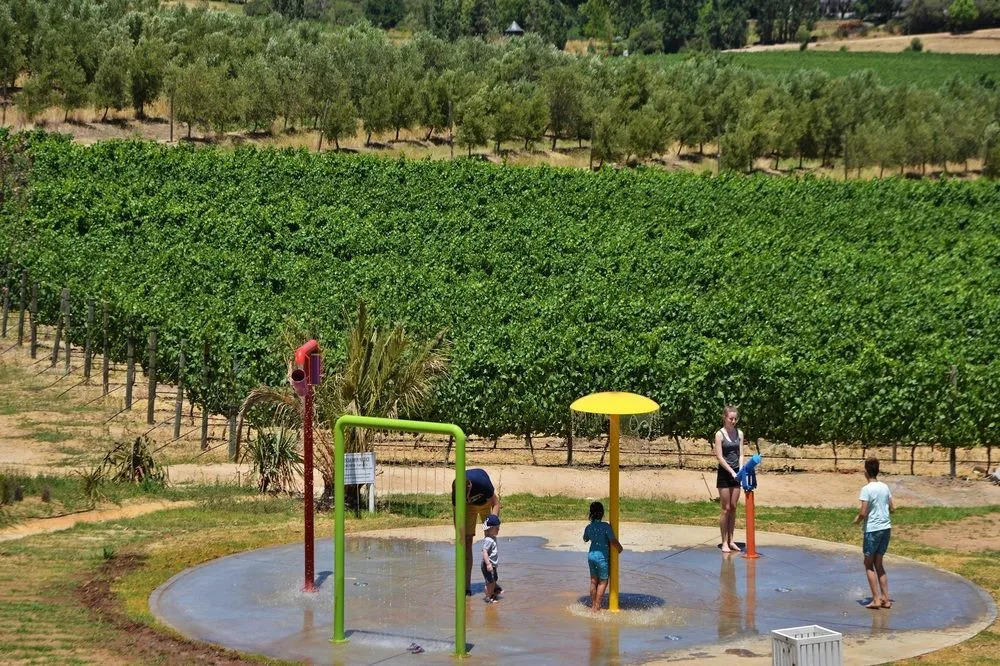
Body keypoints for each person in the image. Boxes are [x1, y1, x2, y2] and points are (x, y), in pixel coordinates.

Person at [853, 456, 894, 609]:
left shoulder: (866, 489)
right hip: (886, 528)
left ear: (866, 472)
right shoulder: (885, 487)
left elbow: (863, 512)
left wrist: (857, 520)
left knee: (868, 564)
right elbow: (892, 508)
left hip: (872, 530)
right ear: (878, 470)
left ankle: (876, 600)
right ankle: (886, 599)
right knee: (879, 563)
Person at [451, 468, 501, 595]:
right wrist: (459, 533)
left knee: (489, 542)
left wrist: (493, 523)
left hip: (486, 504)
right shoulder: (456, 489)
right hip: (468, 508)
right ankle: (466, 586)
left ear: (470, 488)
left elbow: (496, 504)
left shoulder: (482, 483)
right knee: (467, 542)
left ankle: (492, 583)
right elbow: (456, 513)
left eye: (465, 497)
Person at [714, 405, 744, 553]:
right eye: (731, 418)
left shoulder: (740, 433)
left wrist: (741, 469)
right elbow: (719, 457)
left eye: (735, 419)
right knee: (725, 509)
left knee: (733, 507)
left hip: (737, 473)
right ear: (724, 418)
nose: (733, 421)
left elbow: (741, 454)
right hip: (725, 474)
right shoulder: (719, 435)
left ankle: (731, 540)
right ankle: (724, 541)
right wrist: (731, 471)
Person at [583, 501, 623, 612]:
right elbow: (613, 540)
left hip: (591, 556)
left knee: (593, 581)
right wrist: (619, 548)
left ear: (590, 514)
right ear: (602, 513)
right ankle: (597, 606)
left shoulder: (589, 527)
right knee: (603, 582)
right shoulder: (605, 526)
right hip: (602, 558)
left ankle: (593, 605)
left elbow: (585, 538)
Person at [481, 514, 501, 603]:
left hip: (492, 565)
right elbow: (484, 552)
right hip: (488, 564)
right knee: (490, 582)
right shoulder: (488, 540)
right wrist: (488, 564)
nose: (498, 530)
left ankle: (492, 593)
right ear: (490, 528)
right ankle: (487, 597)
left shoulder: (492, 538)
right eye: (497, 528)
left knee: (494, 579)